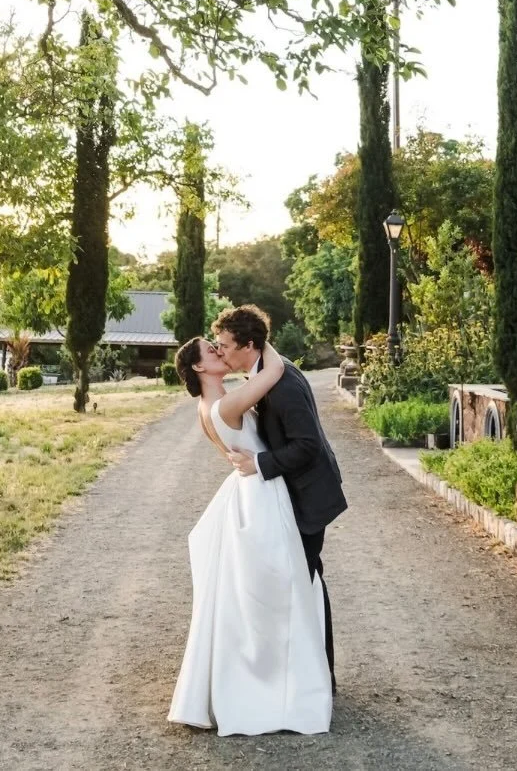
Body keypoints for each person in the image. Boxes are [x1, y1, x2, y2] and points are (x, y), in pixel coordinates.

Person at [167, 333, 332, 737]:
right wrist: (258, 337)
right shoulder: (226, 404)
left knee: (258, 596)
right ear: (200, 368)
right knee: (281, 590)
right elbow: (274, 369)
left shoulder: (206, 407)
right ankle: (277, 684)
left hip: (245, 494)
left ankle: (270, 675)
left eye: (219, 345)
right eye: (212, 349)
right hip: (260, 498)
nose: (219, 351)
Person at [211, 304, 346, 689]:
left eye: (225, 345)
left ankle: (321, 679)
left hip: (310, 499)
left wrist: (261, 464)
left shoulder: (282, 386)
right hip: (293, 497)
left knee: (305, 584)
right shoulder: (269, 370)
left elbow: (308, 447)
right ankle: (305, 673)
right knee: (298, 584)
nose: (220, 352)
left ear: (249, 345)